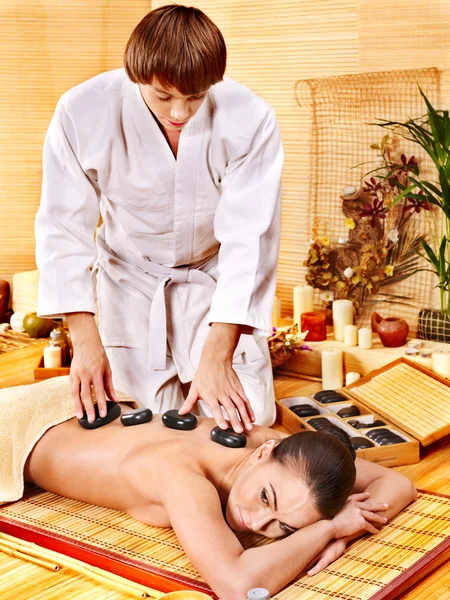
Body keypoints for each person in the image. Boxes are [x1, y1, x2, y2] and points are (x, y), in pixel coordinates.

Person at [35, 4, 283, 433]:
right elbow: (63, 229)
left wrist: (218, 354)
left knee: (246, 421)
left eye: (195, 97)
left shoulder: (250, 119)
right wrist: (85, 343)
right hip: (130, 280)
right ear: (136, 76)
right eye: (163, 96)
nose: (180, 113)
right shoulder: (82, 111)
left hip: (212, 277)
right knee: (135, 424)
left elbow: (250, 239)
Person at [24, 405, 417, 598]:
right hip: (19, 430)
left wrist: (342, 530)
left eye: (285, 527)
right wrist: (331, 528)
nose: (257, 522)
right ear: (266, 451)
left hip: (83, 416)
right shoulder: (182, 476)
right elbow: (239, 586)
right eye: (267, 497)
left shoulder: (279, 453)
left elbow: (397, 482)